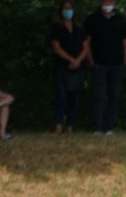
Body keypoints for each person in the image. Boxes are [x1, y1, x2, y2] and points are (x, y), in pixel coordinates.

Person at [84, 0, 126, 135]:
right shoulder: (92, 19)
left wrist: (124, 61)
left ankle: (109, 127)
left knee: (114, 95)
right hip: (99, 64)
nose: (107, 4)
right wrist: (91, 61)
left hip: (117, 64)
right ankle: (97, 127)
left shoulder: (120, 20)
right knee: (98, 95)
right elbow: (86, 42)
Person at [50, 0, 89, 135]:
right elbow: (56, 48)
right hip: (62, 66)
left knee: (73, 96)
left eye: (70, 8)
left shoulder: (80, 28)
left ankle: (70, 125)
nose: (68, 11)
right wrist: (71, 60)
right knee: (62, 96)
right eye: (65, 8)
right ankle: (58, 124)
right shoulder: (56, 27)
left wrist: (77, 61)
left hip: (78, 67)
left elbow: (86, 47)